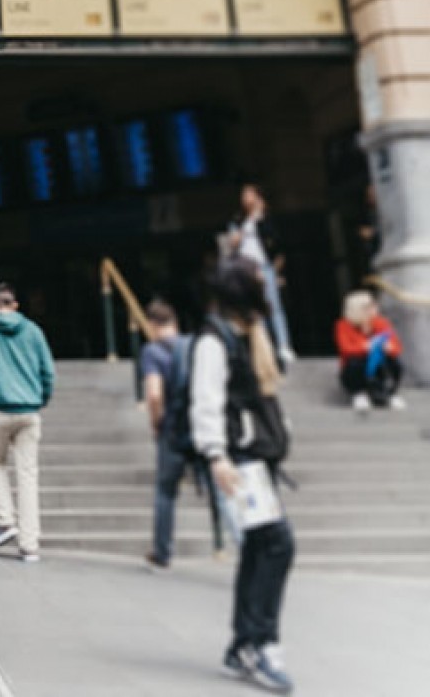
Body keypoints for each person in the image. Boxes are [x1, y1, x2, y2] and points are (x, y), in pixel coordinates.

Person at [190, 260, 295, 693]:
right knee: (277, 543)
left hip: (255, 459)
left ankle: (243, 644)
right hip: (240, 461)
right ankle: (260, 641)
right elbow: (207, 400)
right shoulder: (215, 340)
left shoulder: (246, 334)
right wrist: (216, 455)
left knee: (258, 547)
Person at [0, 279, 55, 565]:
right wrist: (40, 398)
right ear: (15, 305)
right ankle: (29, 545)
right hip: (29, 410)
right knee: (28, 473)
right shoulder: (33, 330)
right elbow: (48, 372)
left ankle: (6, 520)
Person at [139, 298, 191, 571]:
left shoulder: (152, 351)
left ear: (152, 324)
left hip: (172, 428)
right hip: (199, 425)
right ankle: (244, 543)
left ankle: (162, 551)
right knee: (219, 491)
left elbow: (154, 394)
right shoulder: (192, 346)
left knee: (166, 490)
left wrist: (156, 422)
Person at [229, 184, 293, 367]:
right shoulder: (238, 219)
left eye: (249, 194)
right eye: (243, 194)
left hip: (264, 267)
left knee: (273, 306)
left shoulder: (265, 218)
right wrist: (249, 221)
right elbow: (233, 242)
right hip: (246, 269)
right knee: (256, 310)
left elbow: (275, 242)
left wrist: (260, 217)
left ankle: (283, 345)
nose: (245, 197)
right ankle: (267, 348)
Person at [334, 290, 405, 412]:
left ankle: (389, 393)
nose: (374, 308)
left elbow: (396, 346)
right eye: (368, 306)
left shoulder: (381, 322)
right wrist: (366, 346)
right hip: (358, 364)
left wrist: (389, 347)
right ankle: (359, 393)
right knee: (354, 363)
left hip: (379, 361)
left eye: (373, 305)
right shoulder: (343, 325)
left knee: (395, 362)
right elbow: (346, 349)